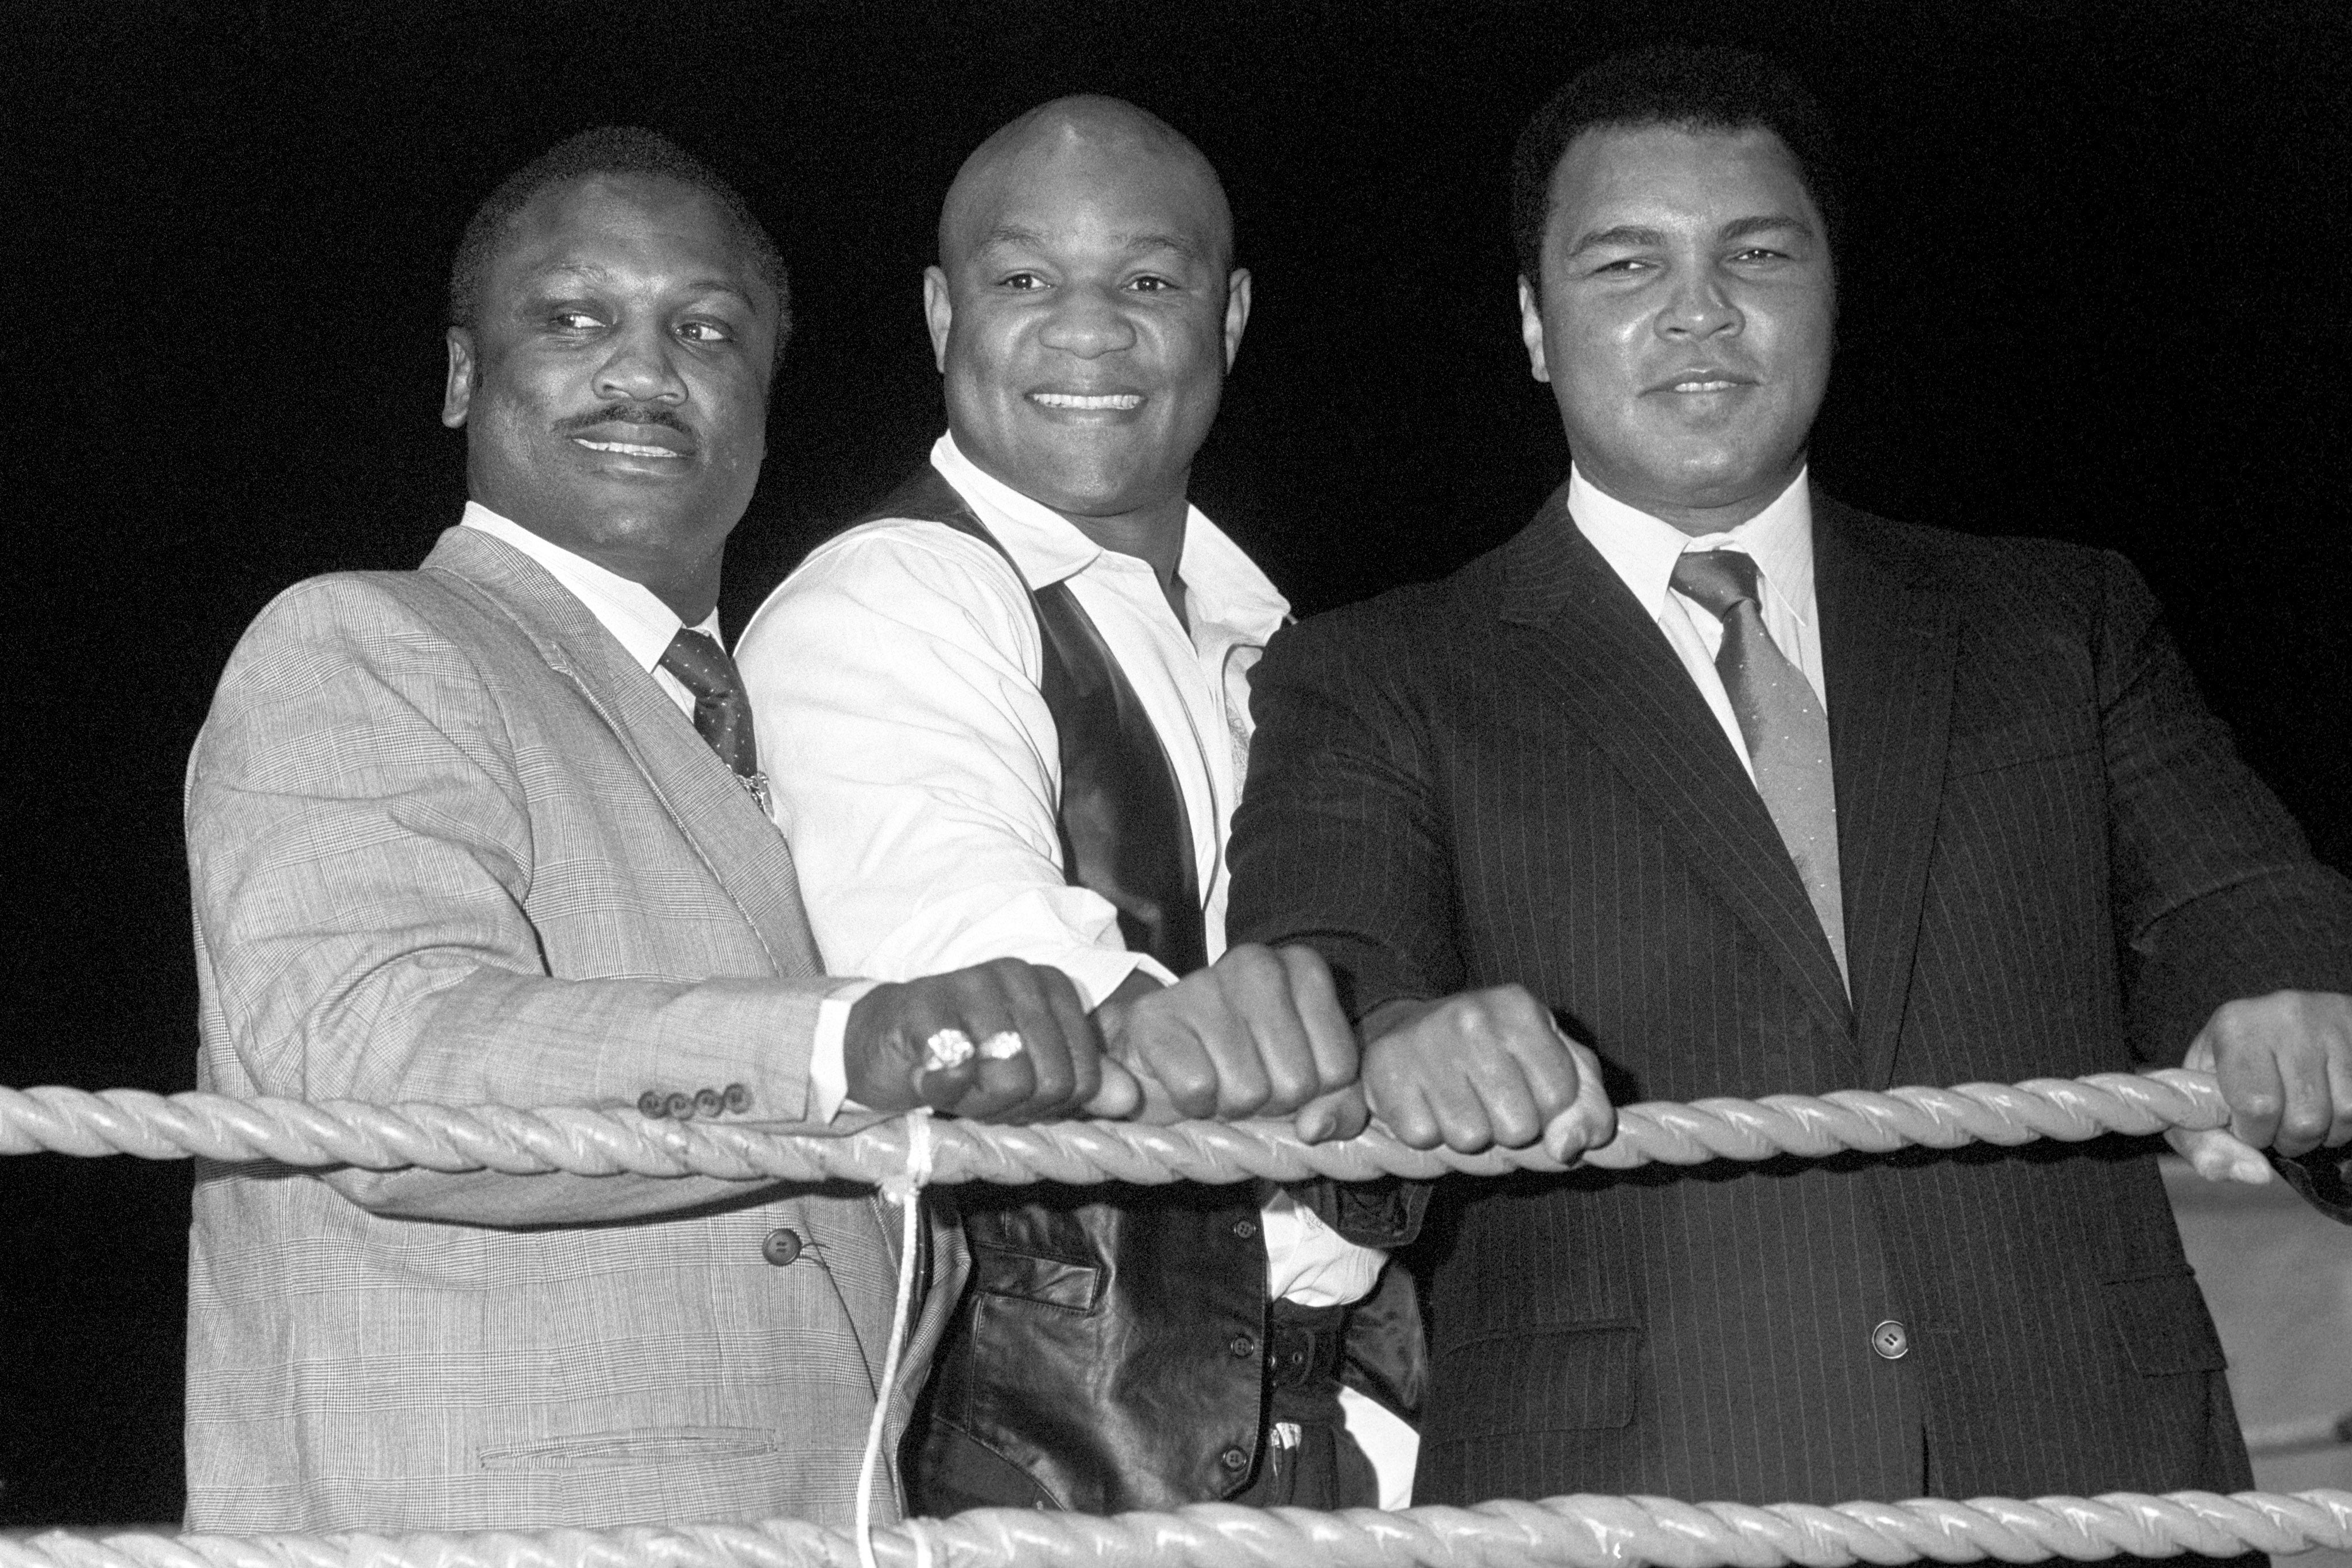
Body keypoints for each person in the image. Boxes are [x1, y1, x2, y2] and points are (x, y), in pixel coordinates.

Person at [1227, 44, 2352, 1521]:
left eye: (1754, 252)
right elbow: (1330, 979)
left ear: (1830, 288)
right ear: (1532, 325)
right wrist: (1396, 1041)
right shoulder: (1373, 673)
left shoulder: (2054, 620)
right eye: (1625, 264)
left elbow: (2239, 900)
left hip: (2089, 1484)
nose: (1697, 310)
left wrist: (2283, 995)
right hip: (1624, 1504)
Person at [183, 125, 1353, 1535]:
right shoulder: (365, 640)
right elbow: (357, 1062)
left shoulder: (740, 714)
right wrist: (839, 1043)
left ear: (761, 392)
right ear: (457, 376)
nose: (640, 367)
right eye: (571, 318)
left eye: (704, 328)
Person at [735, 96, 1611, 1515]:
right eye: (1025, 282)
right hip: (1037, 1475)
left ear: (1232, 314)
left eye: (1148, 282)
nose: (1090, 332)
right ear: (939, 311)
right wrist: (1327, 1039)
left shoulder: (1268, 632)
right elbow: (974, 955)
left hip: (1351, 1437)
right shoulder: (888, 593)